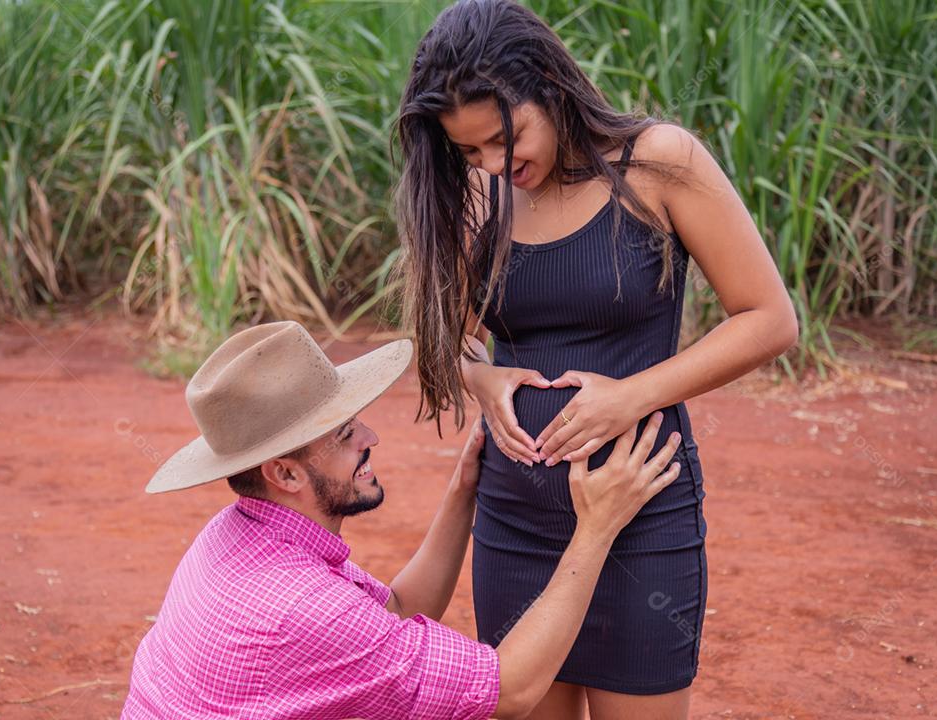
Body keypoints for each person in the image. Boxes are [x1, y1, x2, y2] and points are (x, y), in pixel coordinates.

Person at [394, 1, 799, 717]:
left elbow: (769, 319)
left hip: (641, 513)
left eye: (499, 139)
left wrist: (630, 396)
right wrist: (480, 376)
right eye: (469, 152)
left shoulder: (660, 163)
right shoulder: (481, 199)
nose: (490, 165)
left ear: (545, 82)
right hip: (513, 524)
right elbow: (442, 338)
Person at [121, 320, 683, 719]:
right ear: (284, 474)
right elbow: (510, 692)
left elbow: (396, 611)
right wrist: (597, 528)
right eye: (346, 436)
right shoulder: (307, 608)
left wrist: (464, 490)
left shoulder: (234, 537)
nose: (371, 438)